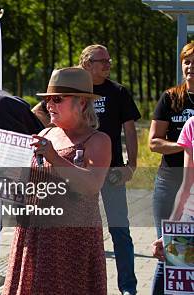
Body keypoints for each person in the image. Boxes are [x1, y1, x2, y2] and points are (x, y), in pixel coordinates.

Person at [0, 67, 110, 294]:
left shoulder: (97, 140)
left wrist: (53, 157)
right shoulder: (45, 134)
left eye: (57, 99)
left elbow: (92, 185)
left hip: (71, 241)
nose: (49, 105)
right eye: (47, 99)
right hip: (35, 233)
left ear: (81, 103)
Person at [80, 44, 140, 295]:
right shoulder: (73, 91)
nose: (108, 64)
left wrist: (131, 166)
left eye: (109, 60)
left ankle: (128, 288)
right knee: (80, 231)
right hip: (80, 171)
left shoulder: (118, 92)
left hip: (113, 170)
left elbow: (130, 131)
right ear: (86, 64)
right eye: (101, 60)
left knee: (120, 231)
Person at [149, 41, 194, 294]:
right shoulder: (171, 97)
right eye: (187, 62)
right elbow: (154, 142)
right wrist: (187, 145)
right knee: (168, 249)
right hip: (170, 181)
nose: (191, 67)